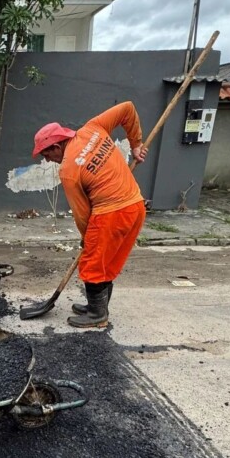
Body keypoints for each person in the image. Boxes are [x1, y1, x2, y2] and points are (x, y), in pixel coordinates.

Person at [31, 102, 148, 328]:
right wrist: (136, 145)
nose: (46, 160)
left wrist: (88, 239)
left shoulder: (68, 170)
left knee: (92, 264)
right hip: (135, 206)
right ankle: (98, 307)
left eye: (46, 154)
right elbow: (128, 108)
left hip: (111, 214)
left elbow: (82, 213)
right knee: (107, 262)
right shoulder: (93, 128)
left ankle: (97, 315)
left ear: (57, 146)